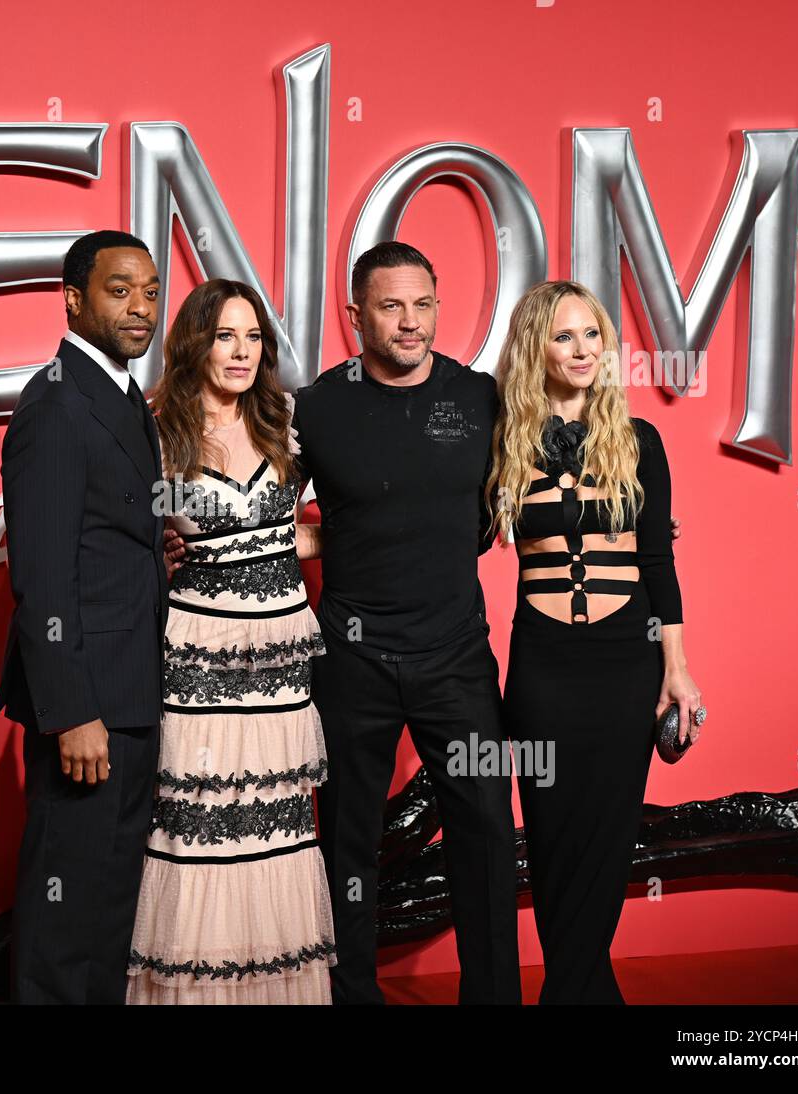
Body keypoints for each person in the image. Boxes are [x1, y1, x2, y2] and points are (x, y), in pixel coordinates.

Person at [287, 241, 521, 1005]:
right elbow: (267, 513)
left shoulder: (481, 397)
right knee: (348, 840)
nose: (410, 322)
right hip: (351, 657)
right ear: (354, 315)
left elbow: (513, 501)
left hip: (456, 654)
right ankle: (353, 995)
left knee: (486, 829)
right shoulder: (317, 406)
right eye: (391, 307)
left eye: (422, 304)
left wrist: (633, 527)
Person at [487, 279, 704, 1004]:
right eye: (563, 337)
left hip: (624, 666)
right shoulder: (505, 440)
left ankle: (572, 989)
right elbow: (458, 532)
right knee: (551, 836)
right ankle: (584, 990)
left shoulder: (640, 442)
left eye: (592, 336)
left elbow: (658, 563)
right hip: (543, 668)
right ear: (535, 349)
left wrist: (677, 671)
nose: (582, 350)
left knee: (610, 838)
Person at [125, 279, 335, 1003]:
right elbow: (122, 539)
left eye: (253, 339)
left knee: (276, 824)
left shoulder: (286, 424)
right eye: (225, 337)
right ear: (195, 344)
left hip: (279, 652)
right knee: (201, 823)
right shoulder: (156, 429)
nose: (242, 352)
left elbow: (291, 537)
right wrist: (158, 555)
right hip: (200, 653)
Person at [0, 230, 169, 1004]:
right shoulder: (58, 405)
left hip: (131, 689)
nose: (141, 308)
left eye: (152, 291)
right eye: (120, 290)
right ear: (72, 298)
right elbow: (41, 576)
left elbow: (103, 534)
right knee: (67, 915)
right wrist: (71, 713)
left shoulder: (122, 396)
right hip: (89, 702)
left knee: (106, 905)